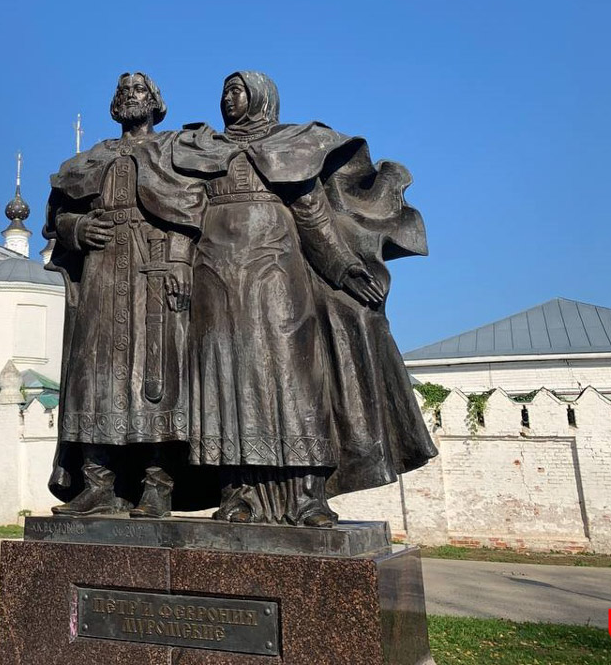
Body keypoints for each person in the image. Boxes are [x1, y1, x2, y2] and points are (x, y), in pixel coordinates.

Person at [171, 71, 435, 526]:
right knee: (224, 383)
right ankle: (238, 494)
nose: (229, 99)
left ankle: (307, 496)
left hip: (276, 277)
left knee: (293, 380)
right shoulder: (204, 150)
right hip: (214, 280)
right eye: (225, 91)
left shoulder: (288, 147)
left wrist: (344, 268)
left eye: (238, 90)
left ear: (261, 97)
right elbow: (181, 216)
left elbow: (312, 215)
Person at [44, 72, 207, 518]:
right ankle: (98, 484)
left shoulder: (172, 149)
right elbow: (59, 215)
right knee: (94, 374)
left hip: (153, 268)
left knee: (158, 374)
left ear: (155, 101)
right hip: (100, 270)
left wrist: (179, 260)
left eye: (138, 89)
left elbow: (189, 206)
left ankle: (157, 486)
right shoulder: (93, 156)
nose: (129, 95)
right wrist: (78, 228)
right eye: (123, 91)